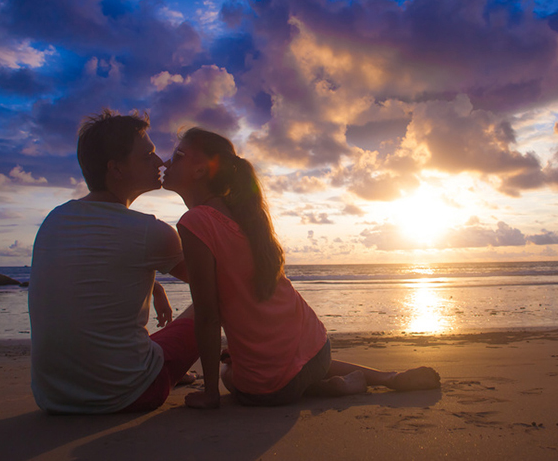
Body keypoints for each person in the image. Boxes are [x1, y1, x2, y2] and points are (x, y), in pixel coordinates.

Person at [162, 127, 441, 409]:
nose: (166, 162)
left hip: (269, 388)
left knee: (228, 373)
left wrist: (211, 393)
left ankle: (324, 387)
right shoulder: (242, 214)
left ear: (200, 170)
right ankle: (385, 377)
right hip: (318, 348)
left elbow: (208, 316)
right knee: (293, 361)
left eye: (178, 155)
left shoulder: (195, 222)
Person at [28, 109, 199, 414]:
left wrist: (155, 287)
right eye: (147, 156)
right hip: (131, 393)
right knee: (215, 299)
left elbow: (93, 269)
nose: (160, 162)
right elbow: (210, 277)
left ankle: (167, 368)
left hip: (52, 397)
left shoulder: (54, 220)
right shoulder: (149, 231)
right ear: (116, 169)